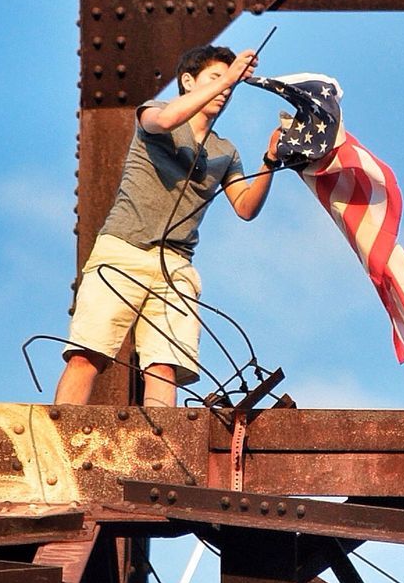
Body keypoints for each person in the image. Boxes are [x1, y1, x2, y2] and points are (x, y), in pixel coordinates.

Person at [54, 44, 280, 407]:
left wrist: (271, 160)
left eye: (230, 83)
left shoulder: (226, 151)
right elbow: (168, 120)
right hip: (122, 252)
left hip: (176, 265)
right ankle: (57, 440)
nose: (225, 88)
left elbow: (245, 207)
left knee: (165, 366)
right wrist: (233, 73)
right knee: (88, 354)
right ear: (187, 82)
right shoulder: (154, 112)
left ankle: (162, 449)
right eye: (215, 78)